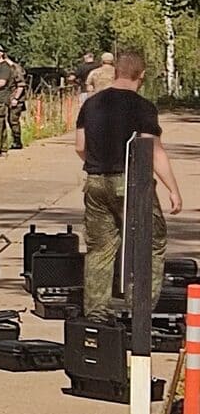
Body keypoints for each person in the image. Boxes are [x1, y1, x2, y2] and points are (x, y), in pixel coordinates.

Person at [76, 51, 181, 322]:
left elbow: (79, 146)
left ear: (115, 72)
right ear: (141, 75)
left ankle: (97, 314)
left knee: (100, 247)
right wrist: (173, 189)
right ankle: (139, 308)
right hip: (131, 183)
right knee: (150, 241)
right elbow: (153, 151)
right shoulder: (143, 107)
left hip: (95, 182)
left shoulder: (92, 104)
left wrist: (100, 163)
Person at [6, 55, 28, 150]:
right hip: (10, 98)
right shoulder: (8, 68)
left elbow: (21, 85)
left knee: (13, 120)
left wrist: (16, 98)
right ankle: (15, 140)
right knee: (10, 120)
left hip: (16, 100)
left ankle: (17, 141)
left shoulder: (15, 68)